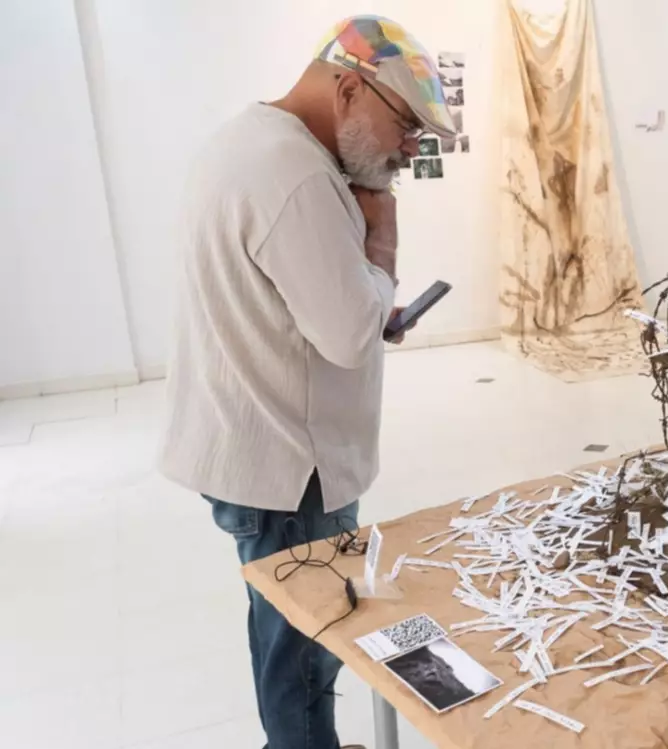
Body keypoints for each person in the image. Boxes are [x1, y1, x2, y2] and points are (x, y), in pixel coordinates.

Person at [157, 15, 456, 749]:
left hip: (258, 441)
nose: (409, 150)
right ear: (349, 89)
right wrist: (381, 236)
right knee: (305, 634)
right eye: (406, 126)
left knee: (287, 623)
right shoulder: (296, 176)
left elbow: (301, 306)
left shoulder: (249, 142)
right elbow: (348, 337)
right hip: (291, 466)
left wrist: (363, 300)